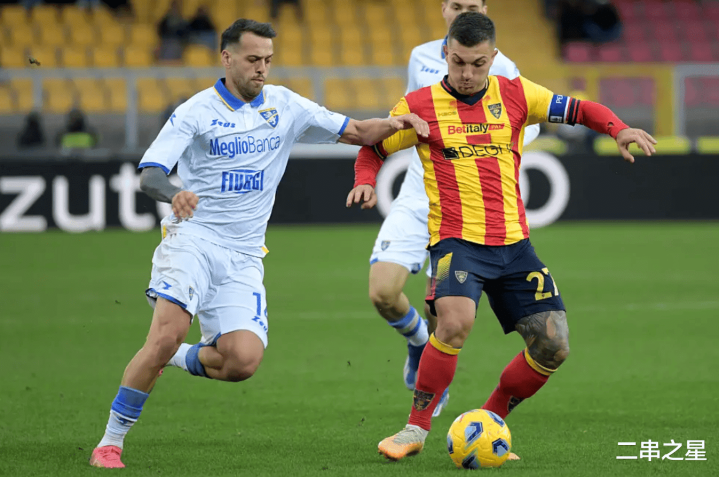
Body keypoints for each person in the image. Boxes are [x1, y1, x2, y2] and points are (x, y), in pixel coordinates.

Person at [88, 18, 428, 469]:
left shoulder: (285, 105)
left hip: (245, 254)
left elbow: (360, 133)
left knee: (242, 362)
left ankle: (174, 357)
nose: (262, 68)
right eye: (252, 59)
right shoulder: (196, 111)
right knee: (166, 333)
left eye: (267, 59)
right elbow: (150, 174)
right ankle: (110, 442)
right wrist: (175, 194)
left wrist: (399, 123)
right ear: (226, 58)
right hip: (194, 239)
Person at [346, 12, 656, 461]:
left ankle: (487, 422)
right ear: (445, 54)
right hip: (455, 243)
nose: (467, 74)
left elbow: (580, 109)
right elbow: (373, 146)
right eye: (458, 62)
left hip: (515, 247)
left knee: (553, 345)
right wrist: (365, 179)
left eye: (477, 64)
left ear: (493, 58)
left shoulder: (517, 93)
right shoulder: (419, 106)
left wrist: (618, 128)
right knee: (453, 323)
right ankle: (415, 428)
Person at [366, 0, 540, 419]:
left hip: (464, 206)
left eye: (471, 5)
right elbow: (407, 118)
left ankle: (429, 390)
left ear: (485, 9)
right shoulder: (420, 56)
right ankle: (417, 342)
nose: (462, 12)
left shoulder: (504, 67)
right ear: (443, 8)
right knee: (382, 293)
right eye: (455, 5)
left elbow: (527, 123)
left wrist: (485, 146)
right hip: (417, 193)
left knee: (440, 309)